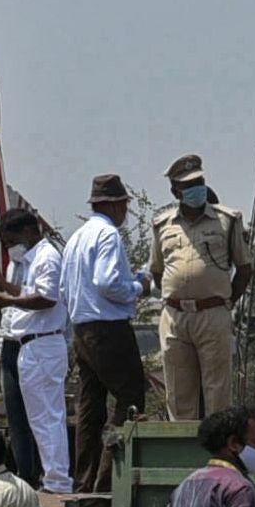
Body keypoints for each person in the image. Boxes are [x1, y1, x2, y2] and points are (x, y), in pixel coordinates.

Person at [148, 153, 255, 425]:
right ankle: (182, 449)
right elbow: (157, 271)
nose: (196, 189)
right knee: (178, 393)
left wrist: (226, 301)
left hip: (213, 313)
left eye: (199, 182)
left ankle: (218, 447)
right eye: (189, 185)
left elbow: (244, 269)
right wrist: (177, 295)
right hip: (175, 317)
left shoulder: (227, 220)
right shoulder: (162, 225)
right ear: (176, 191)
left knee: (217, 391)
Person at [60, 176, 153, 488]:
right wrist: (138, 287)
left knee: (90, 404)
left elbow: (64, 289)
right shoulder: (108, 235)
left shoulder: (76, 238)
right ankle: (108, 479)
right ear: (116, 205)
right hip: (109, 328)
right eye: (125, 205)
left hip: (82, 328)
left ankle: (84, 481)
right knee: (130, 398)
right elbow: (108, 283)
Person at [0, 198, 68, 490]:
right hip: (27, 344)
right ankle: (46, 476)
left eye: (12, 241)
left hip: (43, 342)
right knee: (34, 419)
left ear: (28, 231)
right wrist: (5, 290)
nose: (11, 247)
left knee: (47, 417)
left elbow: (47, 298)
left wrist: (8, 299)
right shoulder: (25, 261)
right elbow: (26, 294)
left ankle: (57, 480)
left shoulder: (46, 257)